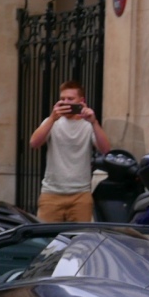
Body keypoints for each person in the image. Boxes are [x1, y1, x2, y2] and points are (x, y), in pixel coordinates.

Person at [29, 80, 109, 222]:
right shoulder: (51, 122)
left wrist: (94, 122)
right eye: (62, 99)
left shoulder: (88, 125)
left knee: (80, 239)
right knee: (47, 241)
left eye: (70, 99)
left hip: (80, 195)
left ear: (81, 101)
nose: (65, 102)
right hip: (51, 194)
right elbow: (34, 143)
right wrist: (52, 118)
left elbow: (105, 149)